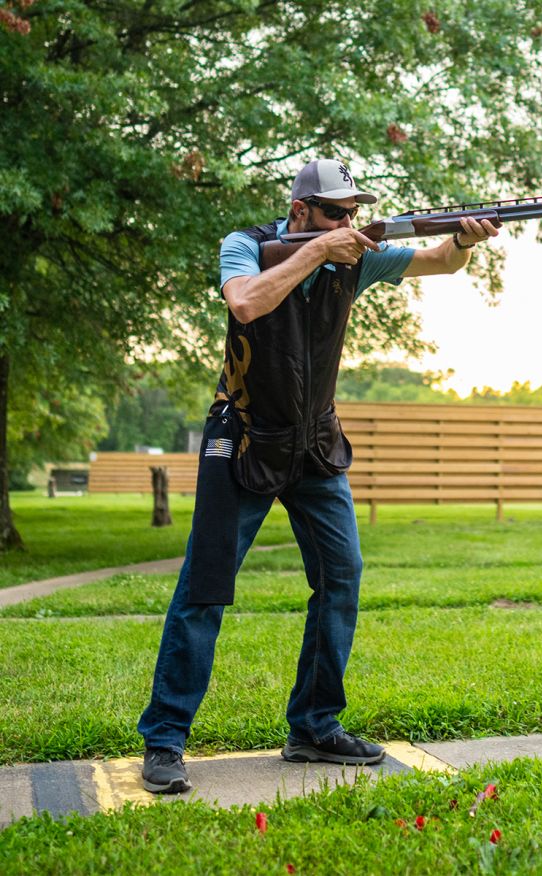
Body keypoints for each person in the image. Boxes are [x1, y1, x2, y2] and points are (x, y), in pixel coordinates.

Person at [137, 159, 499, 794]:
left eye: (353, 213)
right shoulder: (246, 246)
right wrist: (319, 252)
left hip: (315, 445)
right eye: (336, 213)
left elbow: (439, 261)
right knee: (206, 586)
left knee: (342, 578)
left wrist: (465, 240)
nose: (349, 224)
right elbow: (247, 302)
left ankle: (313, 727)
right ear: (301, 211)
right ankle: (165, 740)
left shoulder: (355, 258)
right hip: (245, 436)